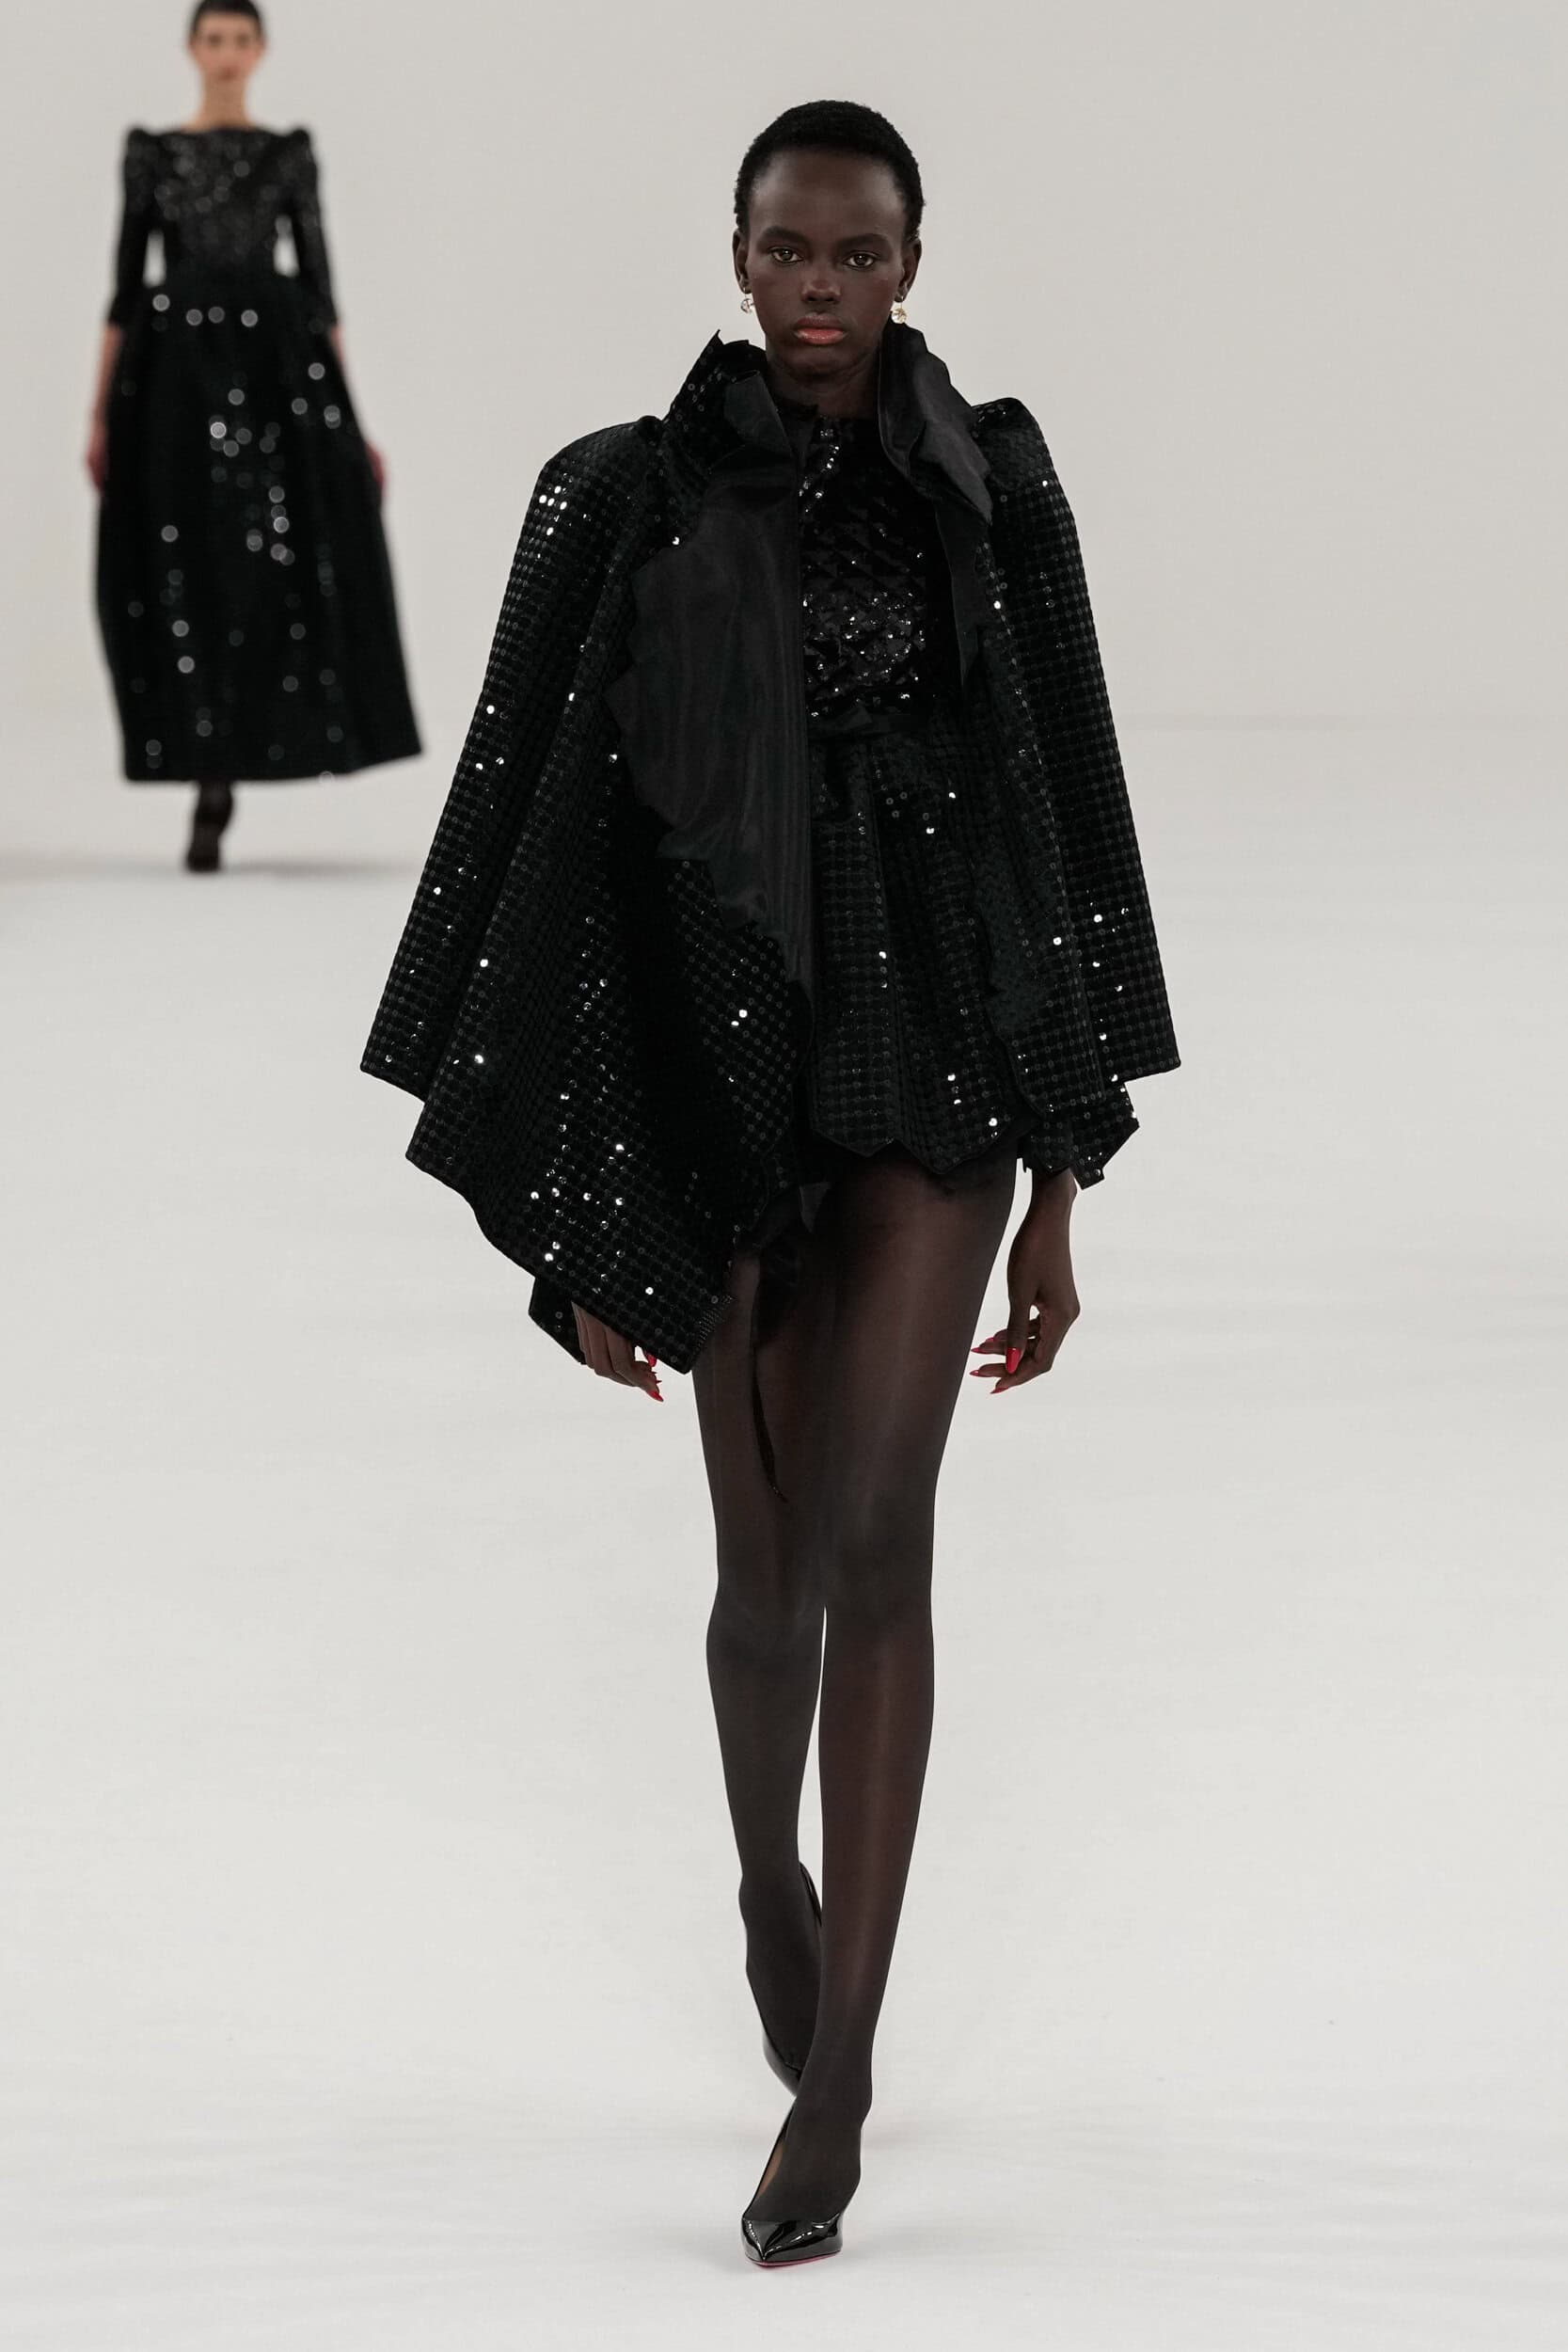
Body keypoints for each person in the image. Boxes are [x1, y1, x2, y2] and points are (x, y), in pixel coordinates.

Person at [363, 100, 1178, 2266]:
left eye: (858, 253)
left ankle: (840, 2084)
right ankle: (761, 1883)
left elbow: (1061, 799)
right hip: (718, 1068)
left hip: (938, 1059)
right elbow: (547, 836)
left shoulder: (989, 484)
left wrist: (1063, 1177)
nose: (820, 288)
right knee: (764, 1573)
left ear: (911, 262)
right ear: (736, 259)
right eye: (786, 250)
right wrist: (586, 1209)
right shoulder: (622, 497)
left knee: (879, 1535)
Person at [87, 0, 420, 872]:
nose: (227, 54)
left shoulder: (287, 154)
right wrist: (97, 412)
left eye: (240, 40)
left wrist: (353, 417)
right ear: (192, 49)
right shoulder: (154, 153)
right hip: (173, 376)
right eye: (215, 39)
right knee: (187, 558)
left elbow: (319, 285)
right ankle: (206, 770)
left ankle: (256, 747)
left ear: (260, 51)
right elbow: (124, 286)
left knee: (278, 556)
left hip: (278, 371)